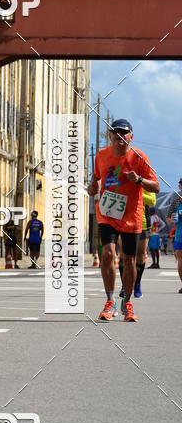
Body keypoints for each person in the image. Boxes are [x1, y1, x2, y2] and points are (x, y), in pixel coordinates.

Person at [86, 118, 159, 322]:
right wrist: (92, 187)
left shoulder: (139, 157)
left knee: (129, 260)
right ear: (110, 136)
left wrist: (140, 180)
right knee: (108, 253)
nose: (119, 138)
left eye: (124, 134)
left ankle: (127, 301)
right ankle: (110, 301)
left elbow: (156, 187)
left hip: (131, 216)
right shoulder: (101, 155)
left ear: (131, 137)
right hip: (108, 213)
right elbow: (96, 177)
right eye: (115, 134)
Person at [118, 189, 156, 297]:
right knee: (123, 255)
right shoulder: (123, 177)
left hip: (142, 223)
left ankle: (137, 283)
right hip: (123, 221)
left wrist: (135, 192)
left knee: (141, 256)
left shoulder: (145, 179)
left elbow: (152, 200)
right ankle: (124, 285)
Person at [167, 178, 182, 293]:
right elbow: (168, 220)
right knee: (180, 259)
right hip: (179, 235)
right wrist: (172, 219)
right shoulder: (176, 202)